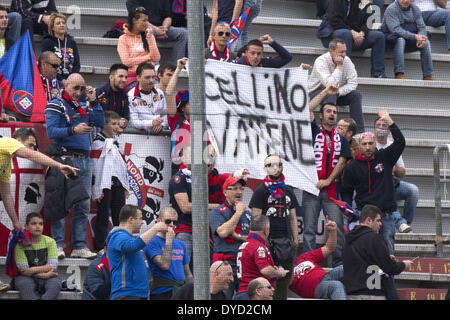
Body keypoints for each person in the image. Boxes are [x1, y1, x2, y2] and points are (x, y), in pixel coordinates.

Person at [45, 73, 105, 259]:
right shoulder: (55, 104)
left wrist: (94, 102)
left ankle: (79, 245)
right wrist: (74, 130)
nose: (79, 92)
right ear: (66, 85)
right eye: (75, 88)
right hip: (64, 158)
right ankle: (58, 245)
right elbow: (51, 131)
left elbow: (101, 123)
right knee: (61, 203)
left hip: (84, 160)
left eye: (82, 88)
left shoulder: (85, 105)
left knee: (83, 204)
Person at [341, 110, 406, 255]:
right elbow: (347, 191)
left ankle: (388, 278)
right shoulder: (352, 166)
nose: (368, 147)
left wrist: (389, 120)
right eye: (364, 144)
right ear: (359, 146)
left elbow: (401, 142)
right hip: (365, 217)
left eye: (371, 143)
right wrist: (348, 211)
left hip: (386, 215)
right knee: (366, 254)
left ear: (374, 144)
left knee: (388, 254)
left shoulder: (385, 157)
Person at [302, 85, 352, 267]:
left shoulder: (341, 138)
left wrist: (328, 180)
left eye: (334, 112)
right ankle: (307, 266)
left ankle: (338, 264)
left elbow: (342, 160)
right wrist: (325, 93)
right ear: (321, 116)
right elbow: (307, 109)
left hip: (331, 190)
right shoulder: (313, 130)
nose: (332, 114)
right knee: (308, 229)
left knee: (337, 228)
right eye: (328, 111)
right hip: (311, 188)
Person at [0, 128, 78, 233]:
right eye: (30, 145)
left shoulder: (6, 165)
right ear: (18, 141)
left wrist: (15, 222)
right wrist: (59, 165)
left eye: (35, 146)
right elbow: (31, 155)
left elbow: (6, 195)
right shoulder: (8, 141)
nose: (33, 149)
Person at [248, 154, 298, 300]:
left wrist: (295, 241)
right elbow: (255, 221)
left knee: (284, 281)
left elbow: (293, 218)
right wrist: (260, 243)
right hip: (267, 243)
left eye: (278, 164)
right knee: (266, 281)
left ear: (282, 167)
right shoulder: (260, 191)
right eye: (270, 165)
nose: (275, 168)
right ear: (265, 168)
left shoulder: (288, 191)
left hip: (286, 242)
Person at [343, 204, 413, 299]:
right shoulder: (375, 238)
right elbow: (389, 268)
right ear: (368, 220)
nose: (381, 224)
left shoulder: (348, 240)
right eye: (378, 220)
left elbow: (363, 262)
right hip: (373, 293)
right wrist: (404, 265)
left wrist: (385, 257)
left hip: (351, 294)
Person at [106, 204, 168, 300]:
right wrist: (156, 228)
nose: (142, 222)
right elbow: (133, 246)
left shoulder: (127, 238)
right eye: (140, 218)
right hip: (127, 294)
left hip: (137, 294)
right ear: (131, 219)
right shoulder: (117, 236)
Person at [91, 111, 129, 253]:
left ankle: (121, 244)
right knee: (102, 216)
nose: (116, 127)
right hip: (103, 184)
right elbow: (95, 167)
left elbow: (122, 165)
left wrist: (125, 184)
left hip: (117, 183)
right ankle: (100, 246)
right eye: (113, 124)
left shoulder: (116, 143)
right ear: (104, 125)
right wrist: (96, 187)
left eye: (117, 124)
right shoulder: (97, 142)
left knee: (120, 216)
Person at [317, 0, 387, 78]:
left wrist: (362, 33)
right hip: (331, 36)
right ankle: (343, 74)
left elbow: (367, 23)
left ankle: (378, 74)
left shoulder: (361, 2)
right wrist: (352, 32)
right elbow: (334, 20)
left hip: (351, 37)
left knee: (379, 36)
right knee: (345, 33)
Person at [308, 38, 365, 133]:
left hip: (336, 93)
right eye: (341, 52)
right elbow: (330, 85)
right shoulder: (321, 61)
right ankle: (328, 130)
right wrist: (339, 66)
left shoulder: (347, 60)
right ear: (331, 51)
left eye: (345, 51)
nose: (344, 55)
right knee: (331, 91)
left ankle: (359, 132)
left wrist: (339, 92)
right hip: (315, 94)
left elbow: (353, 82)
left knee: (356, 94)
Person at [210, 175, 253, 299]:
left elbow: (251, 238)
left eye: (241, 188)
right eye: (234, 188)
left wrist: (235, 235)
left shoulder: (248, 213)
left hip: (244, 264)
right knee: (223, 297)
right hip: (224, 264)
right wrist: (238, 212)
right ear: (225, 192)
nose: (239, 192)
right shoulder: (217, 211)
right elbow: (223, 233)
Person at [374, 116, 417, 229]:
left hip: (392, 181)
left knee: (413, 191)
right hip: (374, 184)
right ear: (374, 129)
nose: (381, 128)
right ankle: (400, 223)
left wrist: (394, 169)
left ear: (389, 131)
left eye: (384, 126)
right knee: (386, 187)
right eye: (378, 125)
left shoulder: (393, 146)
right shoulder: (369, 144)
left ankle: (406, 224)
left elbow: (402, 173)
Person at [289, 217, 346, 300]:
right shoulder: (282, 269)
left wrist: (333, 231)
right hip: (315, 288)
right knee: (336, 285)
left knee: (346, 268)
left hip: (326, 276)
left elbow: (329, 248)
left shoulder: (303, 257)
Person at [234, 215, 288, 300]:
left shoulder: (245, 244)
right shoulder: (258, 247)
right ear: (266, 230)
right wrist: (279, 273)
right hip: (253, 295)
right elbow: (265, 270)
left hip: (243, 292)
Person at [144, 206, 193, 300]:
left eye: (175, 222)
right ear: (158, 221)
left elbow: (187, 273)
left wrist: (194, 290)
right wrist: (169, 241)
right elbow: (164, 265)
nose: (171, 225)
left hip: (181, 291)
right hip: (162, 292)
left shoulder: (180, 244)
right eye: (168, 221)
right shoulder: (151, 242)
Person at [381, 0, 434, 80]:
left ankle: (427, 75)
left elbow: (422, 27)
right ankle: (399, 74)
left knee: (425, 42)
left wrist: (421, 38)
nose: (405, 1)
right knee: (400, 39)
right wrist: (415, 36)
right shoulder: (391, 9)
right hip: (390, 41)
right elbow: (395, 30)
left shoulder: (415, 9)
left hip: (408, 40)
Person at [13, 212, 61, 300]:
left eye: (40, 224)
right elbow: (23, 270)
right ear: (26, 226)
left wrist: (32, 270)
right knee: (24, 285)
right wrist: (44, 275)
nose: (38, 226)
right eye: (34, 223)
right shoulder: (20, 244)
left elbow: (53, 265)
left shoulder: (50, 241)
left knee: (55, 284)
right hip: (26, 277)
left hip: (47, 276)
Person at [125, 0, 188, 65]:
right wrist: (156, 29)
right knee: (150, 32)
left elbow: (168, 17)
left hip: (161, 28)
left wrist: (164, 28)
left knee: (183, 33)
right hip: (143, 28)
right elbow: (139, 20)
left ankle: (178, 65)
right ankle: (155, 65)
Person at [117, 6, 160, 88]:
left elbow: (156, 58)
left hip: (150, 75)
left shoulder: (149, 36)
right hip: (133, 77)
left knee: (158, 93)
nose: (147, 23)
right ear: (134, 20)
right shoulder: (123, 39)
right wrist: (147, 57)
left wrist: (150, 37)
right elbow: (126, 61)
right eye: (144, 20)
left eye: (147, 20)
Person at [165, 57, 190, 174]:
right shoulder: (175, 119)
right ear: (183, 107)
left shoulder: (203, 119)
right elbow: (169, 93)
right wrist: (178, 69)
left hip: (201, 166)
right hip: (179, 168)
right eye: (191, 102)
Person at [127, 62, 167, 133]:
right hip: (139, 138)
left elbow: (166, 114)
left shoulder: (160, 93)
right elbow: (134, 122)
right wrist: (152, 123)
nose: (151, 80)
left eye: (153, 77)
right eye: (147, 77)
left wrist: (162, 125)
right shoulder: (130, 96)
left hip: (159, 136)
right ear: (138, 78)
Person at [41, 13, 80, 81]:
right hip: (53, 79)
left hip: (71, 81)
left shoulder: (72, 42)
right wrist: (61, 80)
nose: (62, 25)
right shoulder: (47, 42)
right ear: (52, 27)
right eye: (58, 23)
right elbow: (47, 65)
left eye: (63, 23)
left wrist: (71, 79)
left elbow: (77, 64)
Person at [96, 64, 130, 130]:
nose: (124, 80)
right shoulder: (99, 93)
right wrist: (116, 121)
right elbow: (97, 116)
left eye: (126, 77)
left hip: (117, 134)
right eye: (120, 76)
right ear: (111, 77)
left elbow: (126, 115)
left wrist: (125, 121)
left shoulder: (124, 95)